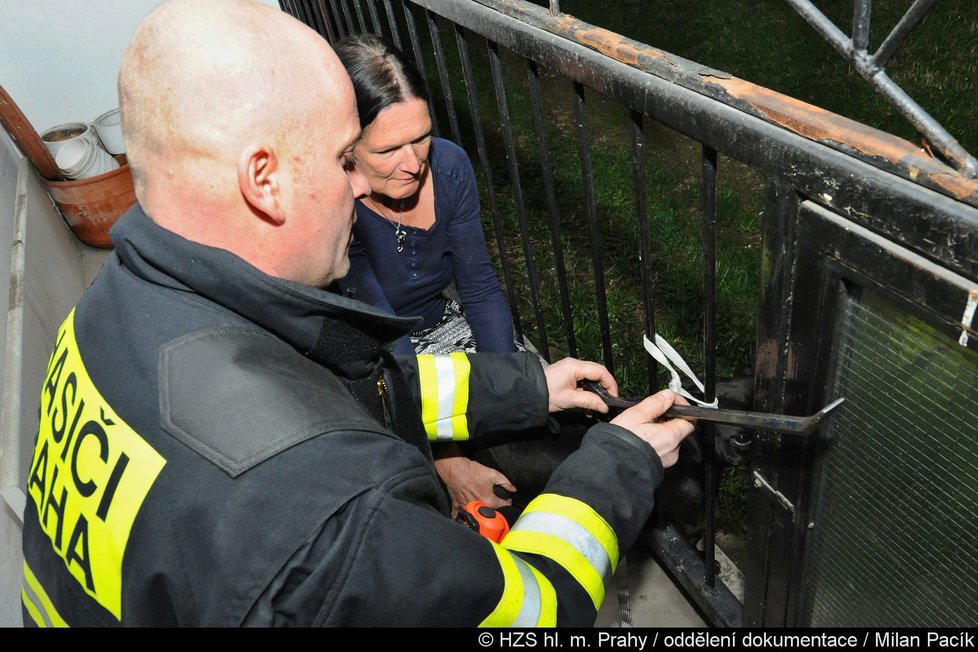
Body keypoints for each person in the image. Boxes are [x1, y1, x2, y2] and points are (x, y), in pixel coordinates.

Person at [20, 0, 693, 627]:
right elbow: (531, 609)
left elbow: (338, 396)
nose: (364, 184)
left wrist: (528, 385)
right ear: (265, 180)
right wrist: (613, 466)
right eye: (346, 158)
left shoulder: (103, 316)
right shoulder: (339, 516)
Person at [332, 34, 528, 516]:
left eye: (421, 137)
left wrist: (512, 390)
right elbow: (386, 339)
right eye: (388, 150)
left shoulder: (450, 165)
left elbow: (480, 287)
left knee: (540, 416)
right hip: (371, 356)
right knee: (420, 491)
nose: (414, 162)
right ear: (345, 148)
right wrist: (447, 457)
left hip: (439, 325)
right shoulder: (336, 203)